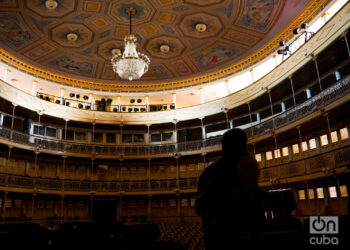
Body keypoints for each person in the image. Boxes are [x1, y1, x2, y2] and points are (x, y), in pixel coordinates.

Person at [195, 128, 265, 249]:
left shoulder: (247, 168)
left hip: (246, 237)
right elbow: (199, 206)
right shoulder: (212, 172)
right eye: (235, 146)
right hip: (221, 239)